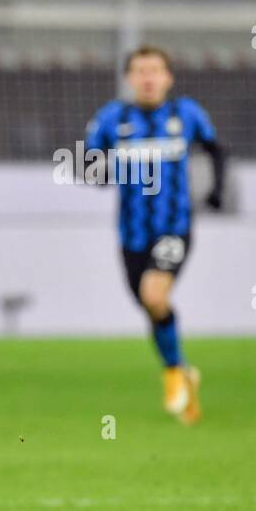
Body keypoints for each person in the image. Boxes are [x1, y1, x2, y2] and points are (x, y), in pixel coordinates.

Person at [84, 45, 226, 425]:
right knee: (150, 305)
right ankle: (180, 370)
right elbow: (89, 163)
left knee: (153, 293)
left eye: (155, 70)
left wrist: (216, 191)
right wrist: (96, 174)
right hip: (131, 234)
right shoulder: (112, 118)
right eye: (140, 71)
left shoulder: (187, 114)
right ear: (130, 78)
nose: (148, 78)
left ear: (168, 77)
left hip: (174, 228)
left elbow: (215, 150)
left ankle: (173, 375)